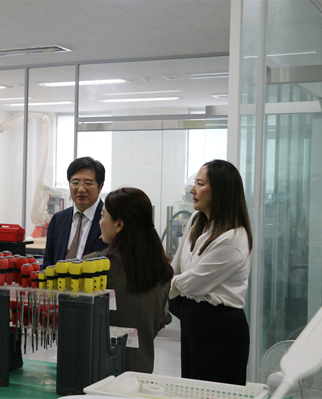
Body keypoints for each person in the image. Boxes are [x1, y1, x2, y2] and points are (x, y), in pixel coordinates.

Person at [170, 159, 253, 385]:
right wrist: (175, 280)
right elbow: (177, 266)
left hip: (219, 325)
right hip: (193, 316)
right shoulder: (196, 220)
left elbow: (193, 284)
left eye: (200, 184)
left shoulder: (233, 238)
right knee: (191, 386)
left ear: (220, 191)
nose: (192, 190)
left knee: (214, 389)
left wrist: (171, 282)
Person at [84, 187, 173, 373]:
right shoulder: (163, 269)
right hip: (142, 368)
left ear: (119, 224)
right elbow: (159, 321)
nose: (100, 222)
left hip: (99, 369)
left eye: (103, 215)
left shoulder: (96, 265)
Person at [42, 157, 108, 266]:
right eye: (75, 183)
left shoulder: (111, 220)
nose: (81, 189)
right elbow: (48, 264)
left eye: (88, 183)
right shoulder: (58, 220)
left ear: (100, 186)